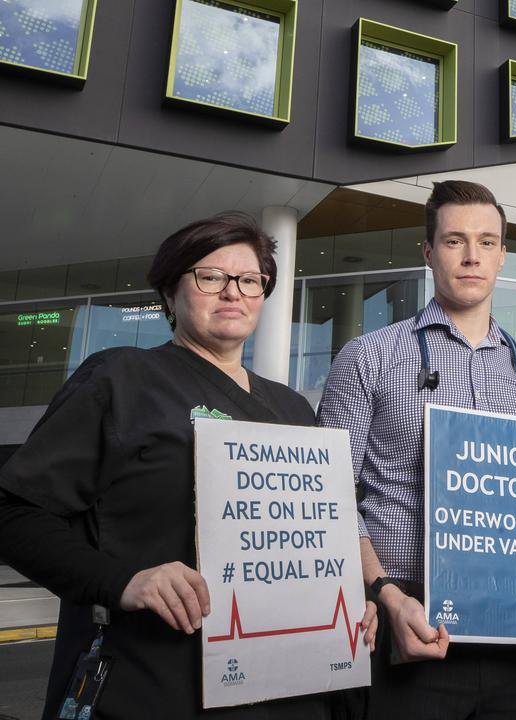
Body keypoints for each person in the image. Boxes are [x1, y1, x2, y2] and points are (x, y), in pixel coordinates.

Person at [0, 212, 376, 719]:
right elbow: (15, 511)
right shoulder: (121, 380)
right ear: (169, 293)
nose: (232, 293)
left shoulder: (293, 411)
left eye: (249, 280)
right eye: (210, 277)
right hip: (156, 684)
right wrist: (123, 581)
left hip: (290, 690)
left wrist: (351, 605)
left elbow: (316, 543)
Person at [317, 180, 516, 720]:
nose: (471, 257)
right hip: (406, 623)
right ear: (428, 251)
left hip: (515, 639)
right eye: (454, 241)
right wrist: (387, 596)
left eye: (487, 242)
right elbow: (331, 500)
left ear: (503, 255)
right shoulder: (367, 357)